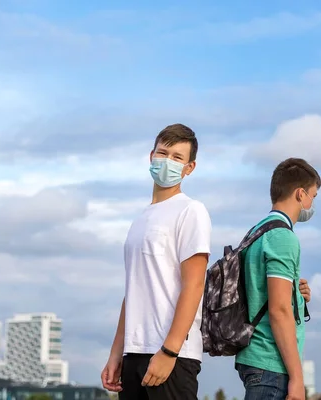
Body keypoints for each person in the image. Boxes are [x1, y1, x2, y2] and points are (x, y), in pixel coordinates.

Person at [101, 123, 212, 400]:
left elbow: (194, 284)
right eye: (163, 153)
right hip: (134, 354)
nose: (168, 161)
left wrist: (169, 351)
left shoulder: (191, 210)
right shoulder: (140, 220)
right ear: (151, 157)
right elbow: (134, 292)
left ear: (190, 168)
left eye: (177, 157)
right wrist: (117, 354)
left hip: (172, 355)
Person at [235, 157, 320, 400]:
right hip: (272, 364)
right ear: (301, 194)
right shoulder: (283, 237)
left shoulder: (258, 231)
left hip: (254, 358)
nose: (312, 203)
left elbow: (260, 291)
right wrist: (297, 377)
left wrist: (297, 295)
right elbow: (279, 309)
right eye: (313, 196)